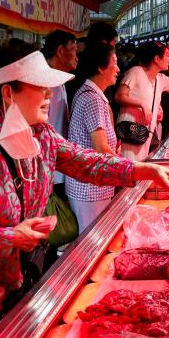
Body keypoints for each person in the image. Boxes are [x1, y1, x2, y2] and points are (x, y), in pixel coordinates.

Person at [0, 43, 169, 305]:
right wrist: (9, 237)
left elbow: (87, 162)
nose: (49, 93)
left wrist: (143, 169)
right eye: (39, 86)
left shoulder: (42, 135)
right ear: (8, 94)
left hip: (25, 281)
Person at [65, 43, 120, 232]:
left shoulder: (93, 95)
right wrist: (129, 172)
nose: (118, 69)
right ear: (100, 67)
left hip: (92, 185)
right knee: (90, 242)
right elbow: (102, 148)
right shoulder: (92, 99)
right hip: (89, 188)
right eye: (115, 62)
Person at [42, 30, 78, 197]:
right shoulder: (44, 82)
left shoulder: (60, 80)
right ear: (61, 51)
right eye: (74, 51)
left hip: (60, 166)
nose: (77, 57)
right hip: (49, 172)